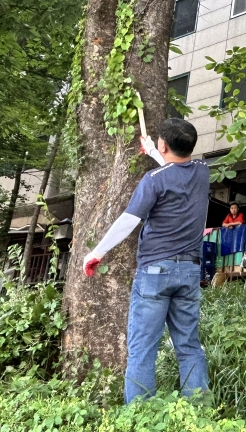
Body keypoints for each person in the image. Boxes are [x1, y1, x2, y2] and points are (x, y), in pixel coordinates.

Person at [82, 119, 210, 403]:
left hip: (155, 272)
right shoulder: (202, 171)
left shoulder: (153, 180)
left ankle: (140, 419)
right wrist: (154, 150)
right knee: (189, 346)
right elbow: (177, 169)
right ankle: (200, 411)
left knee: (142, 349)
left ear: (165, 145)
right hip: (189, 271)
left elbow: (129, 220)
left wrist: (96, 253)